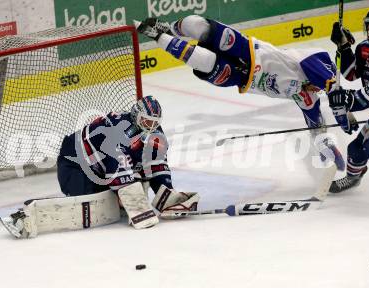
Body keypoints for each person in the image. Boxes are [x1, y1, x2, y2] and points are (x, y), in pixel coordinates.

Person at [135, 15, 344, 171]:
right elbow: (317, 68)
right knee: (194, 24)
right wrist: (335, 92)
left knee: (204, 61)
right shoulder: (308, 60)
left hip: (241, 79)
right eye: (319, 85)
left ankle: (158, 36)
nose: (316, 89)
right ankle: (169, 30)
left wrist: (325, 145)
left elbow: (316, 122)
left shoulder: (306, 96)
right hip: (248, 50)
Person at [0, 95, 200, 238]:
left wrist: (167, 196)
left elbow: (157, 164)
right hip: (75, 164)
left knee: (127, 190)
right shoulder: (115, 130)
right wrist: (136, 206)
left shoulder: (155, 133)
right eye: (146, 121)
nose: (150, 127)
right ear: (136, 116)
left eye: (155, 123)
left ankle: (119, 194)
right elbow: (117, 167)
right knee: (87, 202)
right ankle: (25, 216)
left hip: (102, 168)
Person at [328, 7, 369, 193]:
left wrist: (347, 102)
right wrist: (344, 47)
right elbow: (351, 73)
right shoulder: (365, 48)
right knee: (356, 148)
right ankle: (353, 178)